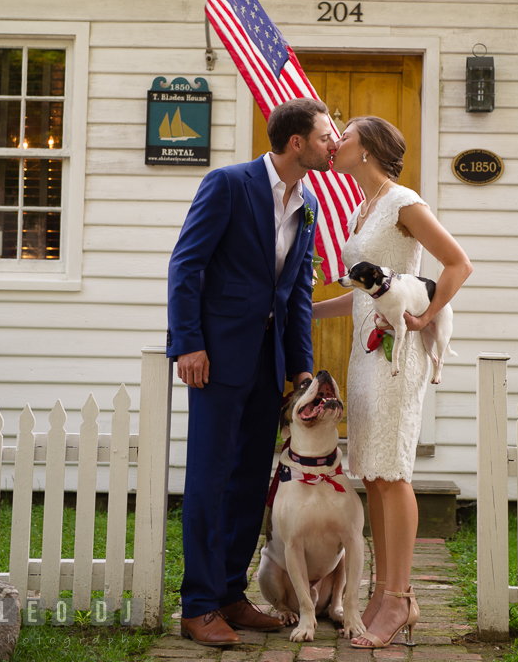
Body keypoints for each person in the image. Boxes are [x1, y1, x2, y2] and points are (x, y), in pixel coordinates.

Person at [167, 98, 336, 646]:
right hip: (215, 359)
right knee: (210, 480)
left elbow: (298, 291)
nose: (333, 142)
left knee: (247, 485)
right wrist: (188, 343)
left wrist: (301, 372)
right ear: (296, 143)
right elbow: (186, 264)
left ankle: (229, 596)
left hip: (270, 366)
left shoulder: (306, 202)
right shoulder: (229, 184)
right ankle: (197, 606)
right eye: (325, 134)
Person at [311, 116, 472, 649]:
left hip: (398, 354)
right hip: (364, 353)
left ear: (370, 148)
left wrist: (427, 318)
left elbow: (457, 263)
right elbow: (362, 295)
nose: (337, 141)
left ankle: (399, 598)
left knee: (395, 470)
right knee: (373, 472)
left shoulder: (404, 202)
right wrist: (306, 311)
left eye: (347, 135)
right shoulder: (365, 208)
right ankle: (383, 594)